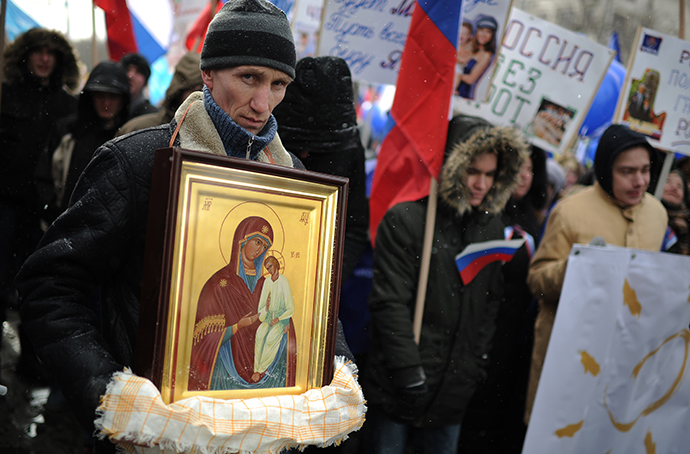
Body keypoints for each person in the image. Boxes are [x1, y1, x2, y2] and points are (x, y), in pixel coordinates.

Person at [16, 1, 352, 452]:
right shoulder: (136, 163)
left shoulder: (295, 185)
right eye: (249, 77)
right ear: (208, 75)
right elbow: (50, 285)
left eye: (279, 84)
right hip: (159, 438)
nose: (262, 103)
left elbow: (310, 299)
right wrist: (113, 395)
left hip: (263, 436)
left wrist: (336, 367)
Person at [361, 115, 528, 454]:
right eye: (473, 171)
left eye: (490, 174)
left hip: (453, 389)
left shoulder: (491, 227)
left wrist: (474, 366)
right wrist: (409, 372)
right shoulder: (407, 219)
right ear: (453, 166)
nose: (481, 183)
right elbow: (389, 303)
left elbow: (489, 304)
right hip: (399, 383)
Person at [524, 124, 668, 422]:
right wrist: (578, 266)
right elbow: (537, 282)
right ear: (604, 169)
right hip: (571, 355)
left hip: (626, 359)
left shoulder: (657, 213)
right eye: (627, 171)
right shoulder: (569, 212)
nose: (640, 181)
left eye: (645, 169)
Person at [0, 27, 80, 379]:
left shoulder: (69, 107)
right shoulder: (5, 97)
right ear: (26, 56)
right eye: (38, 51)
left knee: (38, 286)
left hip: (46, 212)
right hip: (5, 207)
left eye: (51, 52)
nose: (45, 58)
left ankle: (33, 366)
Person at [458, 145, 547, 454]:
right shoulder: (483, 215)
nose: (524, 175)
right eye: (518, 167)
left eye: (530, 168)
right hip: (479, 334)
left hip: (513, 336)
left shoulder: (533, 219)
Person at [272, 56, 369, 283]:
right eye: (298, 148)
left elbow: (352, 229)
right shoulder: (266, 143)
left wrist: (326, 284)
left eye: (315, 152)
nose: (303, 157)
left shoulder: (349, 148)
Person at [188, 217, 296, 391]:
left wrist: (283, 324)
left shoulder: (267, 284)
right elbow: (203, 339)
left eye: (264, 246)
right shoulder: (219, 283)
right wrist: (237, 326)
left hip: (267, 370)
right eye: (257, 242)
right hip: (227, 371)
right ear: (243, 240)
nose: (259, 250)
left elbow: (284, 313)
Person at [35, 61, 131, 228]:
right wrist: (52, 213)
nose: (106, 103)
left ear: (123, 100)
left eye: (113, 97)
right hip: (65, 224)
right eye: (100, 95)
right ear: (90, 97)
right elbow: (44, 177)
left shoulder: (128, 136)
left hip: (110, 230)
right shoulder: (68, 131)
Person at [117, 52, 204, 136]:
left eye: (206, 93)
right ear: (178, 92)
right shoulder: (139, 130)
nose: (200, 98)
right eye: (195, 91)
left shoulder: (210, 140)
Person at [253, 255, 295, 382]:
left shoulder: (283, 281)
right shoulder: (267, 282)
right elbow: (260, 308)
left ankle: (261, 370)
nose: (269, 269)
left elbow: (290, 308)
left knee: (271, 338)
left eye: (270, 266)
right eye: (267, 268)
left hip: (280, 319)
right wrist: (266, 308)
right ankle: (255, 369)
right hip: (267, 318)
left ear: (276, 265)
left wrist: (279, 319)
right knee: (259, 334)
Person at [456, 16, 497, 99]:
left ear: (492, 35)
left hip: (461, 94)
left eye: (488, 32)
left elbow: (471, 79)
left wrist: (455, 74)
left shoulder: (486, 55)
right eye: (481, 30)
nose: (484, 35)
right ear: (477, 31)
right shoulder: (469, 43)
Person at [120, 53, 158, 118]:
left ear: (145, 82)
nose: (130, 76)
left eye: (138, 72)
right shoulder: (107, 111)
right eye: (127, 70)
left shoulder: (151, 116)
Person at [661, 169, 690, 255]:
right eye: (668, 181)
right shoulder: (648, 213)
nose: (674, 187)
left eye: (679, 186)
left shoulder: (687, 223)